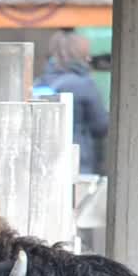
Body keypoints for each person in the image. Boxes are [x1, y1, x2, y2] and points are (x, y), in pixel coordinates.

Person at [34, 29, 109, 174]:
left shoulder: (40, 82)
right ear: (81, 55)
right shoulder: (83, 84)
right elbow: (100, 126)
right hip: (78, 163)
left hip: (44, 162)